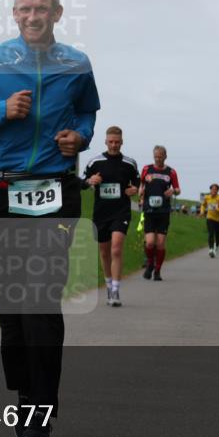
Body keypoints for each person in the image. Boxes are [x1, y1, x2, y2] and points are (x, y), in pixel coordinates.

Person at [0, 0, 100, 437]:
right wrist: (0, 111)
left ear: (58, 13)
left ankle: (39, 411)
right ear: (13, 14)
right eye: (23, 9)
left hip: (57, 191)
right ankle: (24, 386)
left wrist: (81, 137)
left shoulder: (76, 63)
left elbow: (88, 112)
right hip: (5, 191)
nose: (32, 17)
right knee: (12, 307)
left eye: (42, 9)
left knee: (40, 302)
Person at [83, 127, 139, 306]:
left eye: (117, 142)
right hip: (101, 212)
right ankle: (108, 284)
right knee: (104, 252)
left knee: (116, 248)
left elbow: (137, 184)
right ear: (106, 142)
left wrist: (134, 189)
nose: (114, 145)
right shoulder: (95, 162)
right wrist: (91, 181)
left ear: (122, 142)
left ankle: (115, 290)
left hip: (121, 211)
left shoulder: (130, 164)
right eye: (111, 142)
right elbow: (83, 181)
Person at [139, 145, 180, 281]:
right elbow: (141, 183)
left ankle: (157, 271)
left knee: (160, 244)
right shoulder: (146, 169)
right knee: (150, 242)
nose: (158, 159)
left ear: (165, 156)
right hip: (149, 210)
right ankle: (150, 264)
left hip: (163, 211)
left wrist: (173, 191)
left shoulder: (171, 172)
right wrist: (140, 191)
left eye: (160, 156)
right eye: (156, 156)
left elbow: (178, 189)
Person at [200, 184, 219, 257]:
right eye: (212, 189)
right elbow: (203, 205)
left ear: (217, 190)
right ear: (210, 190)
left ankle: (217, 247)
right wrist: (202, 211)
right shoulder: (207, 197)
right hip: (210, 217)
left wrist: (218, 209)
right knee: (211, 233)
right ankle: (211, 249)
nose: (213, 191)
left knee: (217, 234)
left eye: (215, 189)